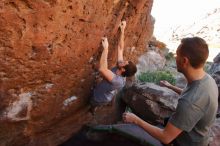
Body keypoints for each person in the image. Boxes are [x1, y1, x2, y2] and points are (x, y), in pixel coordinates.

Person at [123, 37, 218, 146]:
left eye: (177, 54)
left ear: (184, 61)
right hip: (199, 136)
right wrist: (171, 87)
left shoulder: (190, 102)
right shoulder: (207, 80)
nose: (175, 57)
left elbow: (166, 137)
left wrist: (136, 120)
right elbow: (193, 96)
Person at [90, 21, 137, 113]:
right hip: (105, 91)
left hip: (100, 98)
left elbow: (102, 69)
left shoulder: (118, 80)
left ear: (123, 69)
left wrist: (106, 48)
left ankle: (93, 109)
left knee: (93, 103)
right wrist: (123, 30)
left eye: (124, 63)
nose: (122, 61)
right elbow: (120, 48)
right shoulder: (121, 67)